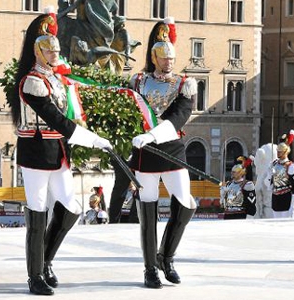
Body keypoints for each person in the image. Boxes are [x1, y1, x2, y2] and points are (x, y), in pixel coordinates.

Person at [11, 11, 112, 295]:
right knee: (38, 210)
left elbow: (68, 115)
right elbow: (55, 118)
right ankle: (35, 276)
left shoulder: (56, 79)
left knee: (71, 207)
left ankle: (46, 260)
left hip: (58, 152)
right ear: (38, 51)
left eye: (56, 50)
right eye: (49, 50)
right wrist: (91, 139)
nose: (55, 54)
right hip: (36, 152)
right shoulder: (32, 81)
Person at [128, 18, 197, 289]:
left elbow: (179, 117)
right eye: (164, 57)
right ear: (154, 56)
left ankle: (166, 256)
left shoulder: (184, 84)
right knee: (148, 207)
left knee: (187, 202)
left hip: (171, 147)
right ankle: (149, 268)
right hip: (145, 153)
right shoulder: (138, 81)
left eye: (172, 57)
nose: (169, 61)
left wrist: (153, 134)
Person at [265, 130, 294, 218]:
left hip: (287, 199)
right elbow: (268, 184)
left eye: (280, 151)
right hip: (275, 200)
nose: (278, 153)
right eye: (277, 151)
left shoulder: (292, 167)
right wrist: (270, 176)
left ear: (286, 152)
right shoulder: (273, 164)